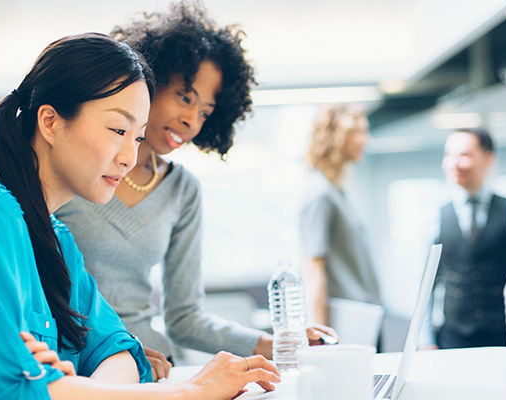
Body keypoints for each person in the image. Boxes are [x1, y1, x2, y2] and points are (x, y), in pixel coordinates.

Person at [0, 32, 279, 399]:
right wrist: (192, 391)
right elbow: (8, 393)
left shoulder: (57, 240)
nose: (129, 157)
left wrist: (72, 389)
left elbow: (121, 352)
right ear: (51, 122)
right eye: (118, 129)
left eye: (136, 137)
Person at [55, 1, 334, 374]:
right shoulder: (74, 169)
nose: (191, 120)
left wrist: (273, 344)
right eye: (185, 98)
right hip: (74, 363)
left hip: (150, 366)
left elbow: (184, 317)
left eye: (205, 111)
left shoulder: (182, 190)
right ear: (147, 81)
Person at [419, 128, 506, 350]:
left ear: (488, 159)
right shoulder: (436, 217)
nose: (453, 163)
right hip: (453, 339)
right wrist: (425, 340)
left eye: (463, 155)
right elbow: (426, 286)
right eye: (448, 155)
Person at [298, 103, 382, 326]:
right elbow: (314, 269)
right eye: (359, 132)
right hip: (346, 325)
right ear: (338, 137)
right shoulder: (320, 194)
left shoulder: (338, 193)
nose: (366, 140)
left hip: (363, 318)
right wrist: (320, 336)